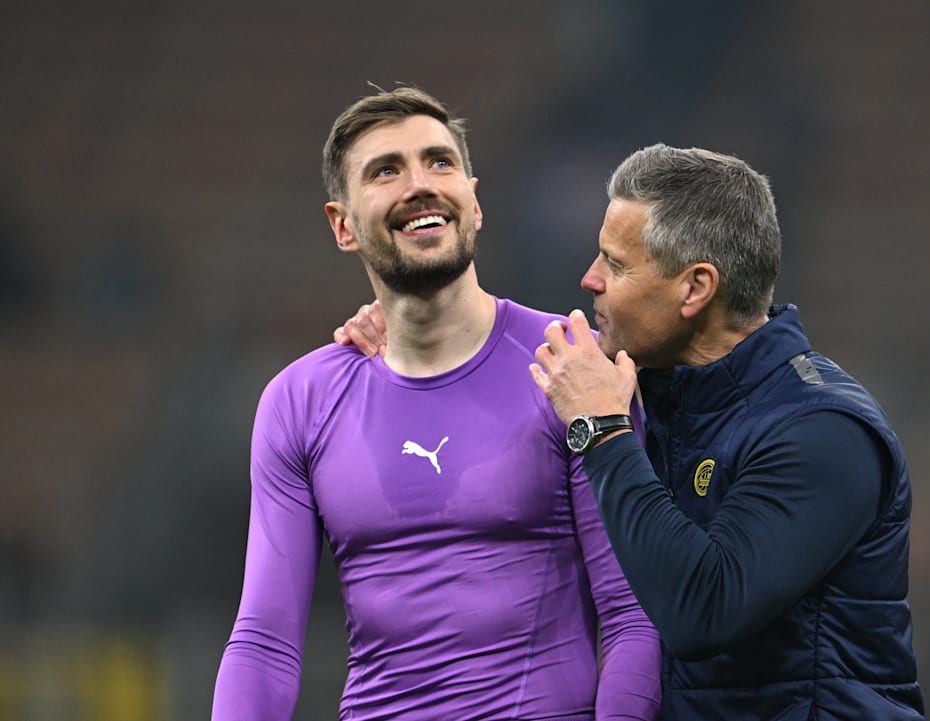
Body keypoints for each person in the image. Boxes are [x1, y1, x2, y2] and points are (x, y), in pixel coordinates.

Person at [339, 145, 924, 720]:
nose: (589, 279)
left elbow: (704, 611)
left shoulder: (822, 431)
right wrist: (411, 329)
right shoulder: (653, 392)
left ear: (694, 289)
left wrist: (601, 430)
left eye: (616, 265)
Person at [211, 86, 661, 721]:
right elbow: (264, 642)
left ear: (474, 202)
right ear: (343, 225)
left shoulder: (571, 365)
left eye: (439, 162)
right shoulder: (300, 401)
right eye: (386, 171)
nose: (419, 185)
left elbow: (632, 616)